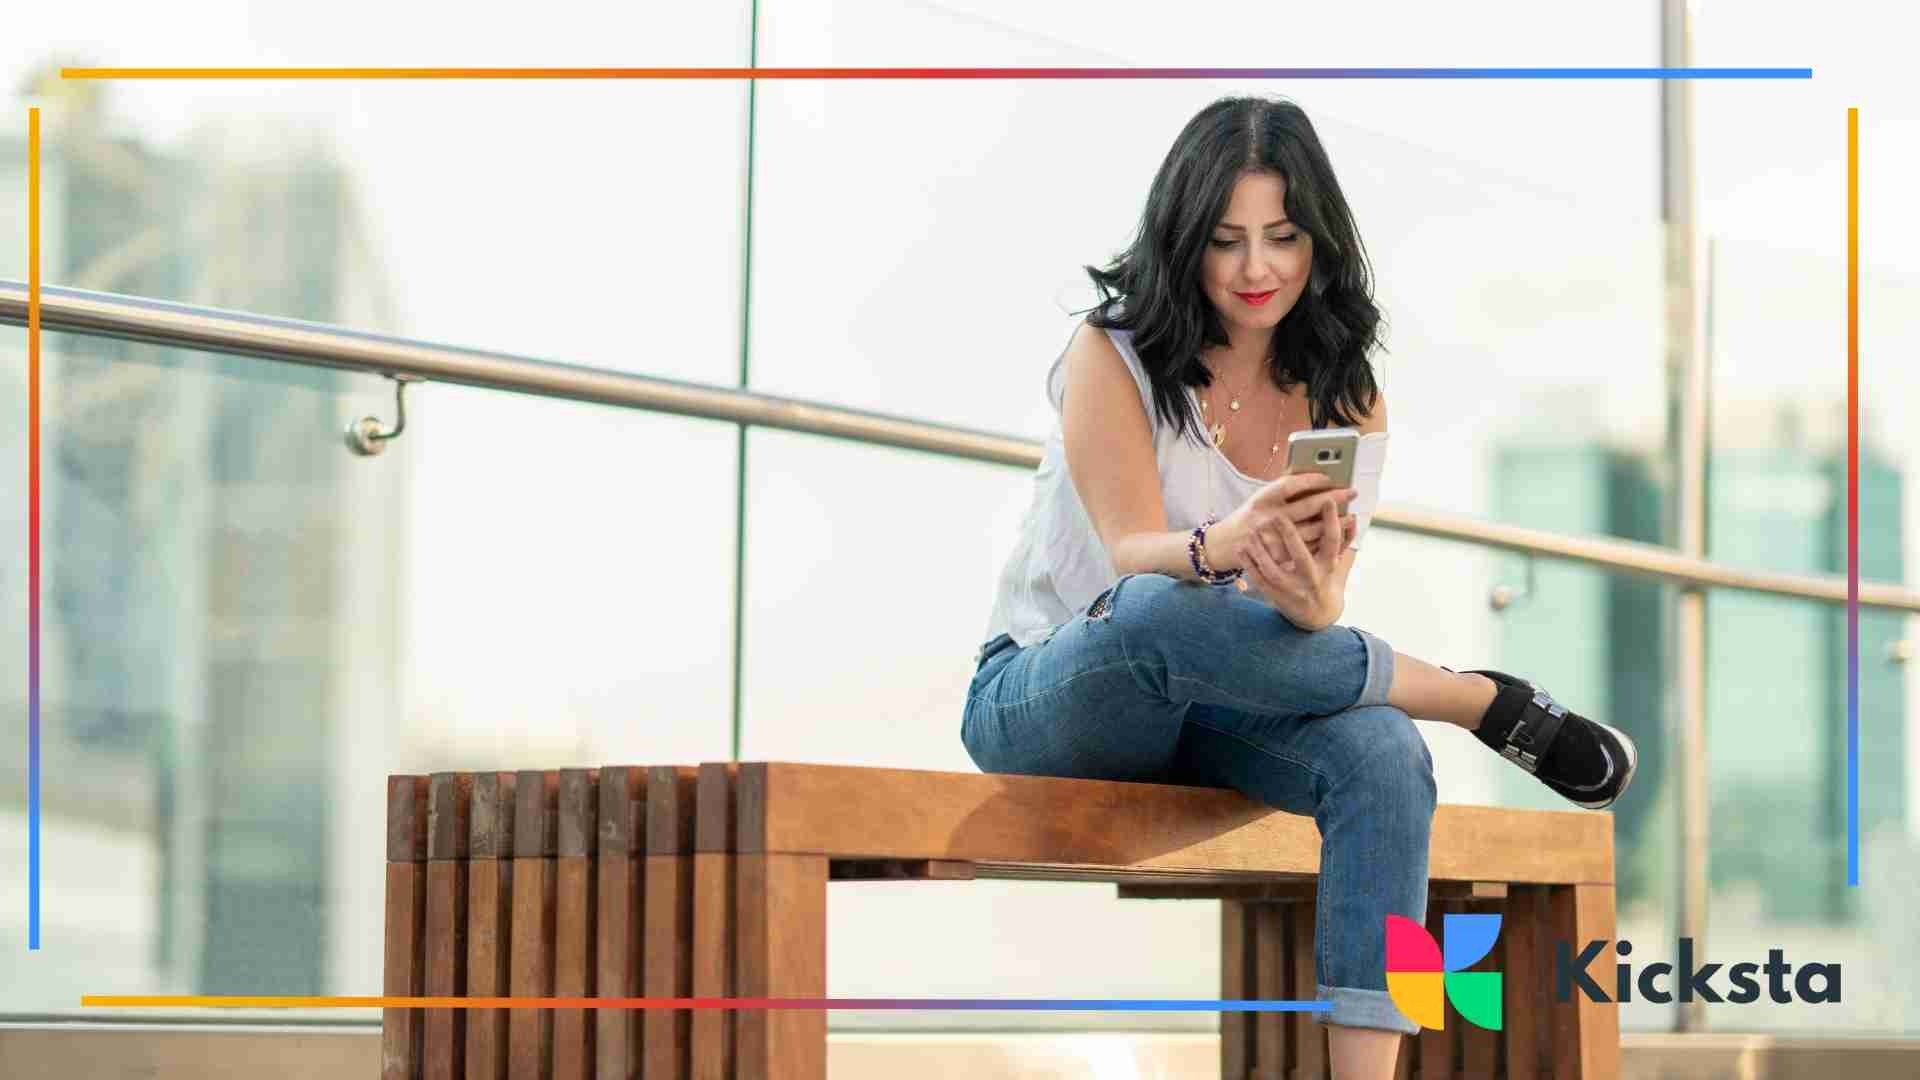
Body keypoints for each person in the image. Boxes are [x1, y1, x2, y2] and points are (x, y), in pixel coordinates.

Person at [960, 95, 1637, 1080]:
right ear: (1184, 238)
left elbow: (1312, 609)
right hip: (1052, 691)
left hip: (1216, 703)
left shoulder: (1345, 391)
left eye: (1282, 237)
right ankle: (1467, 696)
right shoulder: (1111, 353)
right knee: (1160, 609)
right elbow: (1127, 556)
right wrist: (1226, 542)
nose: (1255, 268)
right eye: (1226, 240)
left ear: (1318, 240)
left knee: (1384, 752)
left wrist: (1315, 609)